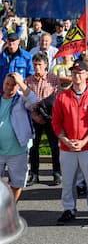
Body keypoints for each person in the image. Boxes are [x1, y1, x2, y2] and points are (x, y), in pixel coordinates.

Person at [52, 58, 88, 225]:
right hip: (67, 147)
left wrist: (83, 141)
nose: (76, 76)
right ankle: (68, 208)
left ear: (86, 74)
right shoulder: (62, 97)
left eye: (79, 73)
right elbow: (56, 121)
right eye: (73, 73)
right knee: (68, 181)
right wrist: (65, 140)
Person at [25, 52, 62, 186]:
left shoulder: (53, 79)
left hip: (51, 118)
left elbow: (58, 98)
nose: (37, 67)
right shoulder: (28, 81)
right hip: (34, 118)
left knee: (54, 146)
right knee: (34, 147)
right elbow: (25, 101)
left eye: (39, 64)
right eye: (35, 64)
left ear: (46, 65)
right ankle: (34, 174)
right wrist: (35, 115)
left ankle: (57, 173)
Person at [0, 72, 37, 201]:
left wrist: (21, 83)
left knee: (17, 183)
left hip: (18, 150)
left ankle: (10, 208)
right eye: (7, 84)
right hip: (0, 150)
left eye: (13, 84)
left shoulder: (21, 99)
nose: (9, 87)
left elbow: (34, 102)